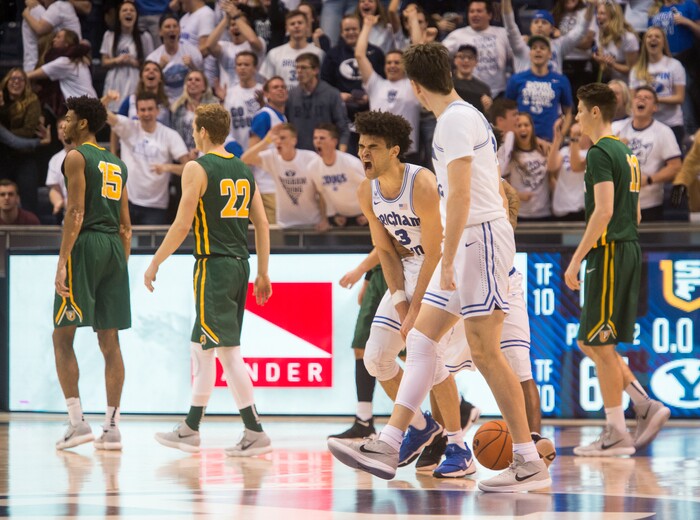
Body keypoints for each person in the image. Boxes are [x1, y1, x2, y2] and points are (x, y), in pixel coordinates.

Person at [326, 43, 551, 493]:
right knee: (423, 337)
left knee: (487, 352)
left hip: (480, 238)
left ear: (414, 85)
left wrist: (446, 258)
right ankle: (391, 441)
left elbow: (463, 195)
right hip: (470, 240)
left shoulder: (452, 122)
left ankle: (527, 459)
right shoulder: (466, 115)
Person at [331, 109, 477, 479]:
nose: (364, 153)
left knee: (428, 355)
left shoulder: (421, 183)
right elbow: (385, 251)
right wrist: (399, 301)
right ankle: (419, 426)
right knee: (377, 358)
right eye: (361, 146)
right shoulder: (367, 190)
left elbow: (435, 250)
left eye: (373, 147)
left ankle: (458, 446)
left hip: (444, 268)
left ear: (394, 151)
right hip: (407, 268)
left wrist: (414, 312)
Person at [146, 103, 273, 457]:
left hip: (213, 265)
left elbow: (183, 224)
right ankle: (190, 427)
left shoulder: (196, 167)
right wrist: (263, 272)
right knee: (202, 348)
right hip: (240, 264)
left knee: (227, 353)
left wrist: (155, 262)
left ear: (201, 131)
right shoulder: (243, 169)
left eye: (193, 129)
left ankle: (254, 431)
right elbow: (261, 224)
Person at [564, 83, 671, 457]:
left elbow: (605, 211)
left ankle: (616, 431)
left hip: (609, 252)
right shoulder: (627, 151)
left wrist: (577, 258)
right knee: (589, 340)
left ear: (595, 112)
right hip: (627, 248)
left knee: (598, 343)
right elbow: (637, 211)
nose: (576, 117)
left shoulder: (599, 152)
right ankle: (642, 404)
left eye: (579, 109)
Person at [52, 95, 131, 452]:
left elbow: (76, 212)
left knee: (61, 336)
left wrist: (63, 262)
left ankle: (77, 422)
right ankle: (112, 427)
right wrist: (120, 265)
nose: (64, 125)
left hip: (86, 246)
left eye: (68, 118)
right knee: (109, 341)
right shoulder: (117, 163)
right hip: (114, 249)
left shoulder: (76, 157)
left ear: (83, 123)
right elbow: (127, 227)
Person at [105, 91, 190, 224]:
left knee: (150, 245)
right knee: (122, 244)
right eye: (142, 110)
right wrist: (107, 98)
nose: (146, 113)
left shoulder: (169, 135)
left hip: (156, 206)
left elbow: (188, 168)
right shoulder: (129, 127)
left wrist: (168, 167)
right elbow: (98, 112)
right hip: (127, 202)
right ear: (137, 112)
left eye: (150, 109)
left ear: (157, 111)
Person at [328, 249, 385, 439]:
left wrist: (359, 271)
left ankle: (458, 406)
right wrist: (368, 278)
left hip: (400, 271)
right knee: (362, 347)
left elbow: (388, 239)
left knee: (411, 352)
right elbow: (379, 241)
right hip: (378, 272)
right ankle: (363, 420)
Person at [355, 14, 421, 162]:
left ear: (405, 66)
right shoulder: (375, 84)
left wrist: (413, 19)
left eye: (397, 62)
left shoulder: (412, 85)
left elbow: (418, 50)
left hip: (406, 153)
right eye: (389, 63)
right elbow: (360, 55)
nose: (392, 65)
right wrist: (367, 25)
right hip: (377, 153)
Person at [612, 85, 682, 221]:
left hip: (649, 206)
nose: (641, 100)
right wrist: (615, 149)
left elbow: (675, 166)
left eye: (647, 98)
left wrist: (649, 180)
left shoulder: (664, 132)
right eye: (638, 97)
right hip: (617, 204)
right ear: (632, 104)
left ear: (655, 107)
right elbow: (597, 160)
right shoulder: (615, 128)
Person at [241, 123, 329, 230]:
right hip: (286, 224)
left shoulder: (310, 158)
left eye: (283, 138)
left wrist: (325, 219)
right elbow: (244, 160)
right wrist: (266, 141)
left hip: (312, 222)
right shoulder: (272, 157)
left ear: (294, 141)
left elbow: (322, 191)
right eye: (276, 138)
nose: (278, 141)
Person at [505, 35, 573, 142]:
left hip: (549, 141)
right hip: (521, 140)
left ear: (550, 54)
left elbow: (568, 113)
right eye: (534, 48)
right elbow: (507, 111)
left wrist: (561, 137)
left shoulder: (561, 80)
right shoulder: (516, 79)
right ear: (529, 53)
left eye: (542, 48)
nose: (538, 51)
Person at [629, 27, 687, 148]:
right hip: (645, 125)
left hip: (671, 123)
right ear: (644, 42)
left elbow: (680, 97)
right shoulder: (636, 69)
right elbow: (632, 99)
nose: (653, 39)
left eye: (657, 36)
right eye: (649, 36)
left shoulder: (674, 65)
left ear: (663, 42)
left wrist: (653, 99)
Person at [441, 0, 512, 97]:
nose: (475, 14)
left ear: (489, 15)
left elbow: (519, 54)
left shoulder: (503, 33)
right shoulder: (457, 35)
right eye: (472, 11)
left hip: (499, 93)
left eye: (479, 11)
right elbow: (438, 54)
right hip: (468, 92)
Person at [501, 0, 593, 74]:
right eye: (536, 22)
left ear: (552, 29)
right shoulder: (521, 44)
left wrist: (591, 7)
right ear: (530, 27)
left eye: (544, 22)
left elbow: (581, 30)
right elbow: (509, 24)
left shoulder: (559, 45)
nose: (540, 25)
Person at [285, 53, 350, 152]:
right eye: (297, 68)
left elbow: (343, 128)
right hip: (299, 155)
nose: (299, 71)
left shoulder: (331, 94)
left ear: (316, 70)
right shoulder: (291, 95)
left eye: (304, 68)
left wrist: (341, 155)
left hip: (325, 154)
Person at [0, 68, 44, 214]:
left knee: (29, 201)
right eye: (13, 79)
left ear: (26, 84)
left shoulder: (32, 101)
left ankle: (31, 235)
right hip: (3, 158)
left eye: (20, 79)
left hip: (25, 157)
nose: (16, 82)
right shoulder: (1, 100)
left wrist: (5, 136)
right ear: (6, 82)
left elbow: (28, 131)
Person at [100, 0, 154, 112]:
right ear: (119, 15)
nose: (128, 13)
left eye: (132, 10)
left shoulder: (145, 36)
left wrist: (135, 62)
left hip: (135, 80)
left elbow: (151, 64)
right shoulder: (109, 35)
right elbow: (104, 62)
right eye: (124, 10)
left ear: (136, 15)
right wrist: (117, 60)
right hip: (115, 80)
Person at [248, 76, 288, 224]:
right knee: (273, 236)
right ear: (266, 94)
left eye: (283, 87)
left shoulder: (282, 117)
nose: (281, 90)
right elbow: (251, 152)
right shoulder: (264, 116)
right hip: (266, 185)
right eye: (275, 87)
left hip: (279, 183)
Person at [310, 123, 366, 227]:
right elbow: (322, 195)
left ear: (334, 141)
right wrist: (328, 217)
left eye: (322, 138)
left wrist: (370, 214)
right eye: (315, 138)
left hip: (363, 216)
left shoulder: (351, 163)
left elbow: (372, 189)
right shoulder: (313, 167)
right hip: (340, 218)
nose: (318, 141)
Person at [502, 112, 555, 221]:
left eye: (526, 125)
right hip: (520, 215)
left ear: (532, 127)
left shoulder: (543, 150)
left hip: (544, 214)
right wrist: (518, 195)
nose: (523, 129)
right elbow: (502, 184)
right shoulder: (509, 154)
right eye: (519, 125)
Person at [205, 1, 265, 95]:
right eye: (232, 25)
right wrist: (226, 19)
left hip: (254, 96)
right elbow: (209, 45)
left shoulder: (259, 42)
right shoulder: (224, 46)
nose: (235, 27)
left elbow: (253, 40)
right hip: (229, 97)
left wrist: (236, 17)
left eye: (239, 24)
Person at [259, 10, 325, 89]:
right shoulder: (274, 54)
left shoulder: (318, 53)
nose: (296, 26)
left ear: (307, 26)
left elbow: (323, 82)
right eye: (292, 24)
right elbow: (267, 82)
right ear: (287, 28)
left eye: (300, 23)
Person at [146, 14, 203, 104]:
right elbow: (147, 86)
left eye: (175, 26)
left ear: (179, 30)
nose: (172, 29)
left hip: (188, 102)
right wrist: (159, 68)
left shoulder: (193, 52)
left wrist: (192, 66)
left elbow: (203, 81)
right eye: (168, 27)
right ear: (160, 31)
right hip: (164, 103)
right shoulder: (153, 58)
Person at [548, 120, 589, 221]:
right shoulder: (564, 151)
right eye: (572, 134)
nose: (574, 137)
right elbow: (551, 167)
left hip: (581, 207)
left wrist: (574, 141)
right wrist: (557, 141)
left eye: (579, 134)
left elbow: (576, 166)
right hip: (562, 206)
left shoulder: (591, 153)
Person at [171, 70, 219, 154]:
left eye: (197, 80)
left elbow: (217, 132)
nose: (192, 82)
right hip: (183, 156)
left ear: (204, 87)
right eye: (189, 79)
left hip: (206, 154)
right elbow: (173, 136)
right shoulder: (177, 107)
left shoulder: (213, 105)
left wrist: (198, 151)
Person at [593, 1, 639, 83]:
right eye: (597, 13)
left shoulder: (628, 38)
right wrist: (601, 61)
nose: (598, 17)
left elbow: (632, 70)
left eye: (602, 13)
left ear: (613, 16)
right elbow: (604, 68)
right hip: (611, 83)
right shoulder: (599, 35)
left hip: (628, 85)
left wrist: (613, 65)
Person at [451, 44, 492, 117]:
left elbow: (487, 117)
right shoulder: (448, 84)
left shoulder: (483, 88)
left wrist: (488, 109)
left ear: (476, 62)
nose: (466, 60)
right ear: (455, 60)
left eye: (470, 57)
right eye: (462, 57)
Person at [46, 116, 73, 222]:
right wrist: (58, 202)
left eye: (67, 126)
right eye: (60, 127)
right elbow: (54, 188)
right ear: (57, 134)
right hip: (69, 216)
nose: (64, 129)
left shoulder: (90, 154)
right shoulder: (55, 159)